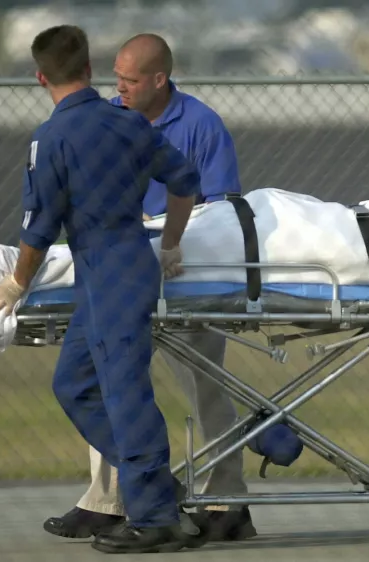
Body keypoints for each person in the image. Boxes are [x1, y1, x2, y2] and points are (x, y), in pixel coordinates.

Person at [0, 25, 200, 553]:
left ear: (41, 77)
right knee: (75, 385)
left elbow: (40, 226)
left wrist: (16, 282)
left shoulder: (51, 139)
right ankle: (155, 487)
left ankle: (155, 521)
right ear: (88, 68)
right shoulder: (129, 123)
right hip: (120, 268)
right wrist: (171, 242)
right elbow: (185, 180)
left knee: (126, 395)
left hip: (110, 271)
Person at [41, 32, 255, 544]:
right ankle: (110, 500)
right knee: (111, 384)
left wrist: (168, 238)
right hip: (123, 268)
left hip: (184, 268)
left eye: (131, 80)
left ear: (160, 79)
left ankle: (227, 500)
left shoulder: (201, 124)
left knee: (204, 384)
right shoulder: (107, 117)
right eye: (116, 77)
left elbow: (220, 207)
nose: (119, 88)